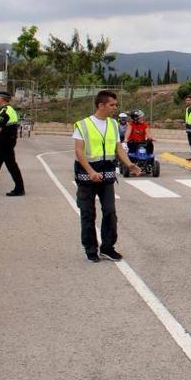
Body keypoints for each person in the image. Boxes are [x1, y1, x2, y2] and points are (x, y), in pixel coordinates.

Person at [73, 90, 140, 262]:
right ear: (100, 105)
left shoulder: (113, 125)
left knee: (110, 211)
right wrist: (90, 171)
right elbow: (79, 152)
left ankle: (108, 247)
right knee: (88, 213)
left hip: (107, 175)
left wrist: (129, 164)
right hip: (87, 176)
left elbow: (118, 148)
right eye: (112, 105)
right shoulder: (83, 125)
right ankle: (90, 249)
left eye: (115, 105)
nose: (115, 108)